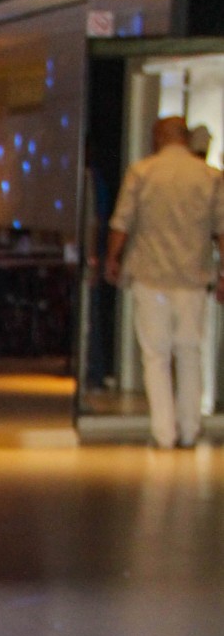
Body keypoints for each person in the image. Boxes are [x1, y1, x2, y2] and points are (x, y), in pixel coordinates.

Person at [105, 114, 224, 448]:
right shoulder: (210, 176)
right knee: (189, 351)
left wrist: (113, 258)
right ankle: (190, 428)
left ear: (159, 137)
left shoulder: (142, 172)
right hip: (193, 277)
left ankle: (164, 432)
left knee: (156, 356)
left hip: (150, 276)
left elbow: (122, 222)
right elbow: (221, 230)